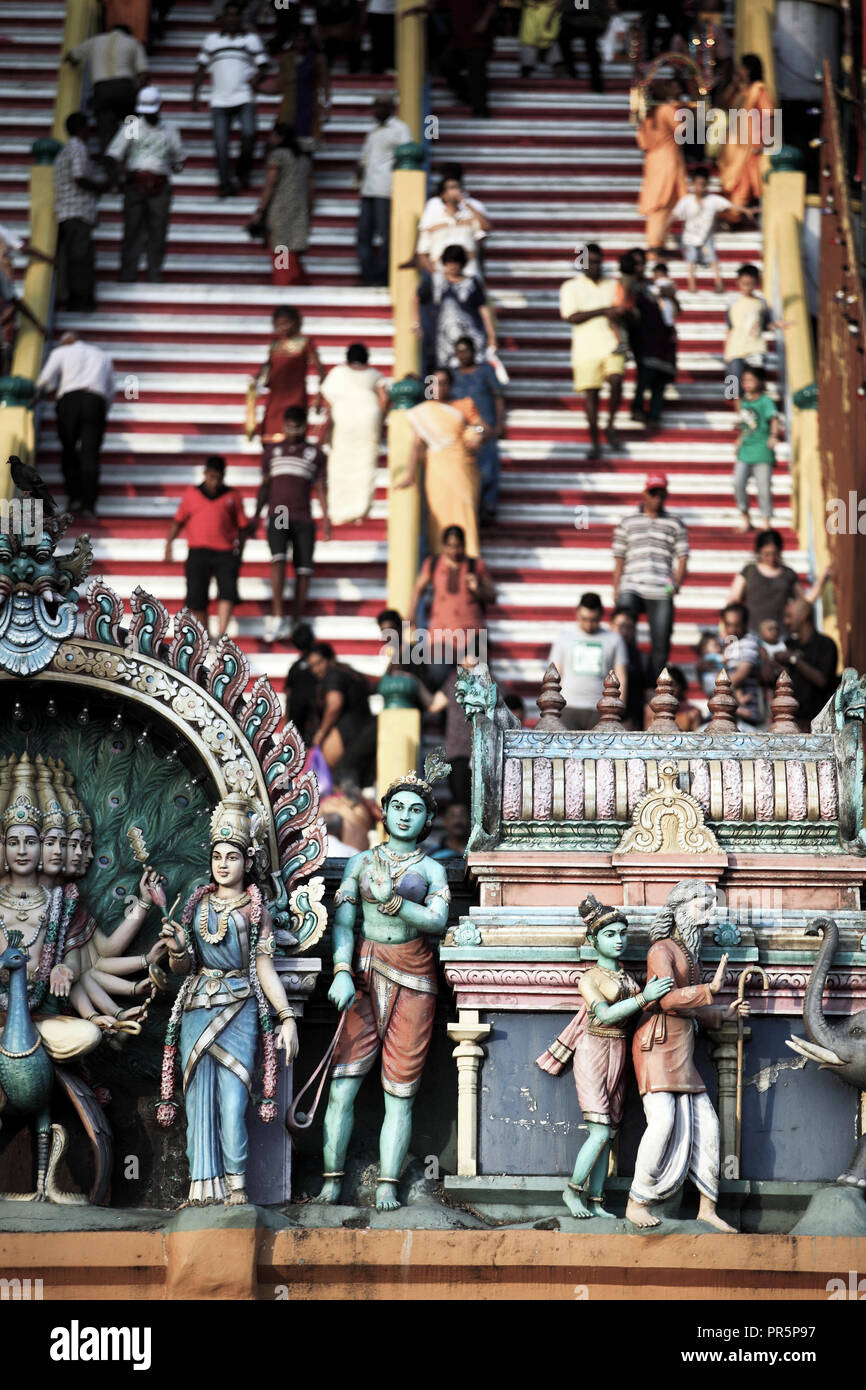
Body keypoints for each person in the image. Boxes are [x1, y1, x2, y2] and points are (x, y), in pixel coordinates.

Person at [314, 764, 451, 1211]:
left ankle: (388, 1182)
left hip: (415, 976)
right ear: (384, 813)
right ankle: (332, 1179)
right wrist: (338, 969)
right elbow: (345, 923)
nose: (406, 816)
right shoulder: (360, 862)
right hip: (363, 974)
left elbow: (436, 920)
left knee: (400, 1090)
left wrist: (395, 904)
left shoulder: (432, 870)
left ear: (427, 820)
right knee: (342, 1086)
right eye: (398, 808)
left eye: (416, 810)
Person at [158, 793, 299, 1207]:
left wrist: (286, 1016)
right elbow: (183, 967)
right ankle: (202, 1188)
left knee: (234, 1102)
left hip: (240, 1008)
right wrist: (179, 949)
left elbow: (264, 967)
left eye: (232, 856)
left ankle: (238, 1186)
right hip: (197, 1008)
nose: (223, 864)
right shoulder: (197, 904)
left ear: (247, 861)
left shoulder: (256, 909)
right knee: (198, 1102)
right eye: (217, 855)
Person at [537, 896, 673, 1220]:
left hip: (620, 1051)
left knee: (609, 1132)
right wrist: (644, 998)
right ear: (593, 940)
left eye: (622, 934)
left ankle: (596, 1200)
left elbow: (641, 1012)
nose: (619, 940)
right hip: (592, 1050)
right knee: (598, 1131)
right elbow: (607, 1015)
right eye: (610, 935)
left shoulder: (627, 978)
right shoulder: (591, 978)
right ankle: (572, 1192)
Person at [625, 880, 749, 1231]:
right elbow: (665, 1000)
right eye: (704, 906)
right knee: (662, 1123)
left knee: (708, 1127)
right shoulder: (661, 950)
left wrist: (724, 1013)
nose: (710, 914)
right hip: (657, 1046)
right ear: (681, 909)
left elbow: (690, 1010)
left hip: (682, 1050)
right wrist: (708, 991)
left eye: (712, 906)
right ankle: (637, 1201)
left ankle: (707, 1207)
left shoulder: (690, 956)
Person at [249, 404, 331, 640]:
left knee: (304, 569)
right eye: (289, 426)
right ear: (284, 426)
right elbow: (265, 486)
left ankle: (296, 620)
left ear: (305, 426)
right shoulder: (272, 452)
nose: (293, 430)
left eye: (298, 426)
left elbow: (320, 487)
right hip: (280, 513)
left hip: (303, 516)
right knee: (278, 560)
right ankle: (277, 617)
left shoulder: (315, 454)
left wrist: (326, 519)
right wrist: (256, 514)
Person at [398, 367, 488, 557]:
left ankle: (470, 556)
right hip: (437, 468)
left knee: (465, 512)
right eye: (434, 383)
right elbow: (417, 444)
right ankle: (440, 557)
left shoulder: (462, 405)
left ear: (451, 385)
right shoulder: (422, 412)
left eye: (443, 383)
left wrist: (477, 435)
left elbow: (482, 427)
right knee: (438, 513)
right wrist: (410, 475)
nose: (439, 387)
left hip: (463, 467)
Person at [612, 472, 689, 682]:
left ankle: (654, 688)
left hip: (661, 587)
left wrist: (676, 583)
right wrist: (616, 588)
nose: (657, 498)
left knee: (661, 643)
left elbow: (683, 556)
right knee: (622, 635)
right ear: (645, 493)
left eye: (661, 494)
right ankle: (624, 678)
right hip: (631, 584)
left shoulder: (675, 523)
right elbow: (619, 557)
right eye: (653, 493)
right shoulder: (628, 522)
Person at [105, 85, 185, 285]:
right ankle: (127, 274)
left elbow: (179, 159)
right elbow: (114, 154)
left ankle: (154, 273)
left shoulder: (169, 129)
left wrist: (172, 165)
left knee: (158, 231)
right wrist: (125, 173)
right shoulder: (133, 125)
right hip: (135, 183)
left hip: (160, 185)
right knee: (132, 230)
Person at [164, 456, 249, 639]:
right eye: (211, 477)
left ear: (223, 476)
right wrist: (169, 543)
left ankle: (222, 633)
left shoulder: (232, 496)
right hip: (198, 550)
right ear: (205, 474)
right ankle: (207, 635)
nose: (215, 482)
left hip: (225, 551)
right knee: (196, 597)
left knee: (227, 592)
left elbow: (242, 526)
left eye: (218, 477)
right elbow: (178, 521)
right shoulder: (192, 494)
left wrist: (240, 552)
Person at [35, 332, 115, 518]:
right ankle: (89, 504)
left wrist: (39, 394)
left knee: (69, 450)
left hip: (69, 400)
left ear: (66, 341)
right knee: (90, 453)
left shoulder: (62, 351)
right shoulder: (102, 355)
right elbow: (111, 390)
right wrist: (102, 408)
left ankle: (74, 498)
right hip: (95, 402)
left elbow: (45, 380)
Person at [193, 3, 268, 197]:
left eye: (236, 15)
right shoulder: (211, 40)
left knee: (250, 134)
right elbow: (201, 67)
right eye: (229, 15)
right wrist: (195, 94)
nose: (233, 19)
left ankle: (242, 173)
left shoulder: (251, 39)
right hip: (219, 99)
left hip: (244, 96)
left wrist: (257, 78)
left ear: (241, 18)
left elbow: (263, 65)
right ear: (223, 18)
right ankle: (225, 183)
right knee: (220, 143)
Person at [559, 242, 625, 460]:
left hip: (612, 343)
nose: (595, 266)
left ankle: (611, 425)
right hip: (585, 348)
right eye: (591, 262)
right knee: (592, 395)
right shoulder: (571, 287)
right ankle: (595, 440)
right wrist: (603, 311)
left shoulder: (614, 284)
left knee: (617, 380)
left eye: (598, 262)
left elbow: (621, 310)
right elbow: (571, 316)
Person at [408, 524, 496, 677]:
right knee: (437, 673)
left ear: (464, 545)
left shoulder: (476, 565)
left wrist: (477, 589)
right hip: (441, 634)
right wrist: (411, 614)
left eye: (458, 546)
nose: (454, 551)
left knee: (477, 678)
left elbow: (492, 597)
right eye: (450, 546)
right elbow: (418, 588)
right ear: (443, 546)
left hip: (471, 633)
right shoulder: (433, 564)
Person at [320, 342, 389, 525]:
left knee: (339, 466)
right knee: (365, 464)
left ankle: (339, 512)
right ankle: (360, 509)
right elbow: (384, 399)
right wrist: (381, 422)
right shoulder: (375, 375)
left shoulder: (338, 373)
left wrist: (326, 429)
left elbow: (327, 401)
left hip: (344, 421)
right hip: (368, 420)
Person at [726, 528, 832, 634]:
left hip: (780, 636)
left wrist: (822, 580)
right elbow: (733, 599)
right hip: (751, 633)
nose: (771, 558)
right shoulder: (749, 571)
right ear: (759, 551)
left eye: (775, 553)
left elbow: (804, 601)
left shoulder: (788, 574)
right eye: (767, 554)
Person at [548, 592, 628, 730]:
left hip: (601, 709)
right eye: (584, 619)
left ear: (601, 615)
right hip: (568, 706)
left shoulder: (614, 639)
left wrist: (619, 707)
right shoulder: (564, 638)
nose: (589, 624)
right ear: (577, 613)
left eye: (594, 620)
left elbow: (621, 676)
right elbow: (556, 674)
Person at [53, 112, 105, 314]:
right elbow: (79, 177)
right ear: (82, 129)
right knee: (81, 259)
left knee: (76, 258)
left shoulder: (66, 149)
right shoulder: (77, 148)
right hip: (76, 212)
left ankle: (76, 299)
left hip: (68, 212)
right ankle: (81, 302)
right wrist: (101, 186)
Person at [417, 243, 497, 374]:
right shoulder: (436, 281)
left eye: (456, 262)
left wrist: (491, 336)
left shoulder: (472, 283)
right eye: (449, 262)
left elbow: (483, 309)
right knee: (442, 373)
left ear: (462, 263)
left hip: (471, 337)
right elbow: (416, 298)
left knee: (472, 371)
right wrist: (416, 322)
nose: (452, 266)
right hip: (442, 339)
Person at [65, 23, 148, 150]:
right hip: (124, 87)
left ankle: (111, 163)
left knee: (106, 130)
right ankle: (131, 150)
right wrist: (137, 92)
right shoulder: (133, 42)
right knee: (131, 119)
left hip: (102, 89)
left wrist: (73, 61)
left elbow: (71, 55)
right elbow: (143, 73)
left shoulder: (95, 41)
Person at [356, 96, 411, 285]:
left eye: (380, 107)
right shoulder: (373, 130)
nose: (376, 110)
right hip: (368, 189)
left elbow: (406, 156)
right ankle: (367, 275)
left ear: (391, 108)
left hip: (386, 189)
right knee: (364, 235)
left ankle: (383, 275)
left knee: (386, 236)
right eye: (375, 107)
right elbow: (365, 157)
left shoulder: (400, 129)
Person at [249, 123, 312, 285]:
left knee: (281, 249)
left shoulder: (278, 156)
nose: (270, 139)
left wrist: (260, 210)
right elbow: (312, 189)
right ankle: (297, 281)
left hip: (280, 210)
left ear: (280, 137)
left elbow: (270, 184)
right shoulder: (304, 158)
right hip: (300, 210)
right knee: (293, 251)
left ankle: (283, 283)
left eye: (273, 136)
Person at [253, 306, 322, 452]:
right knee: (270, 440)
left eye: (286, 323)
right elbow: (267, 371)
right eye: (279, 324)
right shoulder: (275, 346)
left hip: (295, 399)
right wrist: (256, 382)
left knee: (294, 438)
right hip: (275, 401)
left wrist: (319, 397)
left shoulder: (305, 343)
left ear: (295, 323)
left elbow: (322, 372)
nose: (282, 328)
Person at [621, 249, 676, 431]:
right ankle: (637, 407)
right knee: (646, 374)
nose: (640, 267)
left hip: (661, 336)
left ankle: (654, 414)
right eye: (636, 263)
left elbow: (672, 308)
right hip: (641, 336)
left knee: (660, 377)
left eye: (642, 263)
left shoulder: (651, 286)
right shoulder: (625, 285)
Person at [451, 335, 505, 521]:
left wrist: (499, 424)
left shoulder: (485, 371)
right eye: (459, 350)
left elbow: (498, 397)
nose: (462, 354)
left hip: (485, 429)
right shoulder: (451, 374)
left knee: (487, 467)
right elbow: (433, 394)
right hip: (461, 431)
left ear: (473, 351)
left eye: (466, 350)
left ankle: (488, 505)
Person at [307, 641, 377, 785]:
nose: (315, 670)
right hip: (365, 730)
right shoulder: (348, 672)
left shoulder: (332, 675)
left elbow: (335, 703)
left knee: (337, 777)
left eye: (319, 663)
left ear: (330, 660)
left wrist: (321, 733)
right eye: (312, 666)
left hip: (347, 731)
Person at [664, 167, 735, 295]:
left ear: (707, 184)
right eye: (697, 184)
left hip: (706, 238)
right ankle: (692, 286)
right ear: (692, 184)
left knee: (713, 260)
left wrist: (747, 210)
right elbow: (674, 214)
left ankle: (719, 284)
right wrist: (664, 228)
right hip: (690, 238)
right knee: (691, 261)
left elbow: (730, 205)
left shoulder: (712, 199)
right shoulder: (686, 201)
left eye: (702, 184)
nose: (700, 187)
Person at [636, 80, 687, 256]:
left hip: (653, 160)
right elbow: (682, 131)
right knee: (663, 202)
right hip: (667, 159)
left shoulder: (647, 115)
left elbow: (642, 142)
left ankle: (658, 242)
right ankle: (655, 244)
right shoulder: (665, 110)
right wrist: (681, 110)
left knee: (663, 202)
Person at [770, 599, 839, 730]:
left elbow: (822, 680)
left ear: (804, 615)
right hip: (786, 724)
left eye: (790, 616)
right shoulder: (788, 644)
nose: (786, 622)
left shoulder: (825, 644)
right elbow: (768, 679)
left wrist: (794, 660)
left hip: (817, 725)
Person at [718, 53, 775, 210]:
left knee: (742, 178)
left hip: (750, 142)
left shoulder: (759, 90)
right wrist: (732, 86)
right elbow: (722, 105)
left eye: (742, 68)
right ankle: (734, 211)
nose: (739, 71)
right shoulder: (741, 91)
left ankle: (736, 213)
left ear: (749, 70)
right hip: (734, 143)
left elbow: (769, 115)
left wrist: (766, 141)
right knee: (731, 175)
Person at [733, 365, 781, 531]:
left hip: (762, 450)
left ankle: (766, 521)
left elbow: (774, 419)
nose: (747, 383)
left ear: (760, 382)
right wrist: (739, 440)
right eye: (745, 380)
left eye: (751, 380)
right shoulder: (744, 402)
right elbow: (745, 425)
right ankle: (745, 518)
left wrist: (773, 436)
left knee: (763, 488)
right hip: (745, 450)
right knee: (738, 483)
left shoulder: (766, 401)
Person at [415, 174, 490, 279]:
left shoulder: (469, 216)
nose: (456, 191)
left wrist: (465, 202)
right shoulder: (432, 218)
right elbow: (422, 253)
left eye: (458, 187)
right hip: (442, 273)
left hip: (469, 274)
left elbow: (486, 227)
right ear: (443, 194)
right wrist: (436, 276)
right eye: (452, 188)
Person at [270, 26, 330, 144]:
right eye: (298, 40)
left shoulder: (318, 58)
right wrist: (258, 89)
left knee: (306, 141)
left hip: (309, 104)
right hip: (289, 105)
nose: (301, 44)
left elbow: (325, 84)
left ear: (309, 42)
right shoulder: (286, 58)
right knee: (283, 141)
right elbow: (278, 87)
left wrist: (326, 106)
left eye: (304, 41)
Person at [439, 0, 497, 118]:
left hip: (478, 40)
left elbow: (492, 3)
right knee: (446, 64)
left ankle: (480, 109)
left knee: (476, 73)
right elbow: (438, 6)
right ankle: (467, 95)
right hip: (459, 40)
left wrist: (484, 21)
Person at [723, 264, 774, 394]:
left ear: (756, 283)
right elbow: (729, 328)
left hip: (755, 347)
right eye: (743, 283)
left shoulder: (761, 303)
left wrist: (777, 325)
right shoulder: (732, 302)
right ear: (738, 282)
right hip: (735, 348)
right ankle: (740, 412)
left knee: (756, 383)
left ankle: (756, 411)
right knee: (732, 386)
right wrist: (726, 351)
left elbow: (766, 324)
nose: (746, 287)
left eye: (750, 283)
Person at [719, 601, 763, 726]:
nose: (732, 629)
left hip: (747, 714)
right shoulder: (729, 643)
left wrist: (715, 688)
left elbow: (741, 675)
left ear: (745, 624)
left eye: (737, 625)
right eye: (728, 625)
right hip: (730, 710)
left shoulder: (749, 642)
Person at [611, 604, 647, 728]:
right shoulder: (602, 652)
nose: (624, 632)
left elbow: (650, 689)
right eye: (620, 626)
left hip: (632, 720)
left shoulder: (642, 658)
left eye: (629, 627)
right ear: (611, 626)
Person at [284, 622, 318, 744]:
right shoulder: (321, 665)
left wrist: (286, 719)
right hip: (314, 716)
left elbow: (289, 693)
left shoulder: (294, 668)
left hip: (297, 716)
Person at [644, 664, 701, 730]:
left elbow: (696, 738)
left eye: (672, 685)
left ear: (681, 686)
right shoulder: (650, 711)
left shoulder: (693, 713)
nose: (668, 689)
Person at [518, 0, 561, 77]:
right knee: (528, 42)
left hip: (549, 12)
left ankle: (559, 75)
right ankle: (526, 74)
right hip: (531, 13)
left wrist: (551, 16)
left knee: (551, 41)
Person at [695, 630, 724, 698]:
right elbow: (722, 659)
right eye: (715, 645)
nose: (719, 648)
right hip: (711, 683)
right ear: (704, 649)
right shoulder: (709, 657)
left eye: (719, 645)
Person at [650, 261, 679, 328]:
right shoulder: (670, 282)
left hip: (664, 308)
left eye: (655, 274)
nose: (653, 276)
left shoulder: (662, 282)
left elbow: (658, 292)